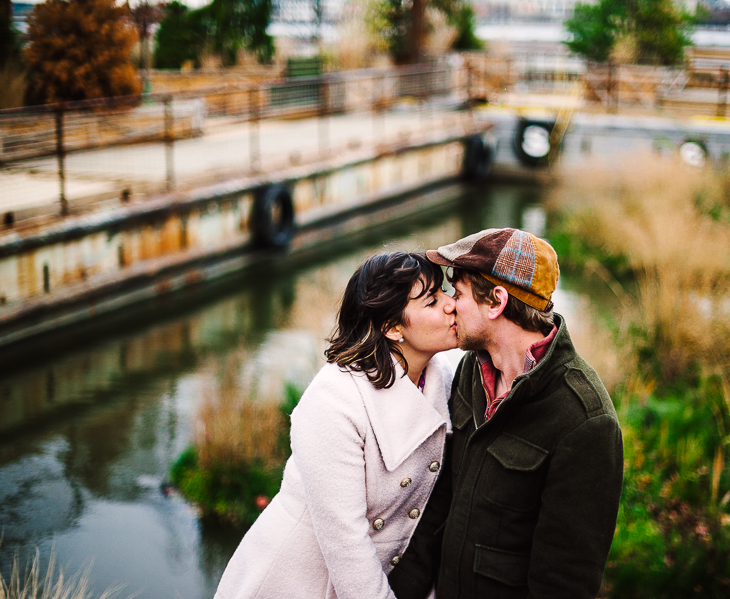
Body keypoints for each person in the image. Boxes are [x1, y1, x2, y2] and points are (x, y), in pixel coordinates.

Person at [388, 228, 624, 599]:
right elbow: (438, 506)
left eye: (459, 292)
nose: (450, 304)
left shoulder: (585, 421)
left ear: (496, 302)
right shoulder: (470, 371)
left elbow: (563, 581)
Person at [214, 251, 458, 599]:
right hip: (295, 582)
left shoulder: (440, 378)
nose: (451, 305)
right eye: (433, 301)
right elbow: (347, 542)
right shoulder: (334, 400)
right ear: (392, 328)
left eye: (446, 292)